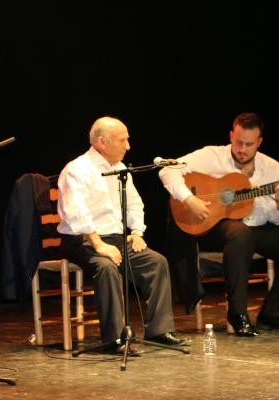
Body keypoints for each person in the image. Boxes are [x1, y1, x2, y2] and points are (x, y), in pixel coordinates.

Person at [159, 112, 279, 337]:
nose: (242, 149)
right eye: (238, 142)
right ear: (231, 136)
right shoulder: (211, 155)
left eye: (249, 144)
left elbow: (277, 220)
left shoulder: (272, 168)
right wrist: (189, 199)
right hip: (215, 226)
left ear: (259, 143)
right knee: (241, 234)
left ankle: (271, 314)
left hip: (257, 227)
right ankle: (238, 315)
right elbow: (167, 170)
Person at [57, 116, 187, 354]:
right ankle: (115, 339)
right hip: (82, 241)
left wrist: (137, 232)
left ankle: (158, 331)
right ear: (101, 142)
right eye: (123, 140)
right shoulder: (77, 170)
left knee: (156, 262)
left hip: (117, 240)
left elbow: (135, 204)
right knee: (106, 267)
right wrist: (99, 245)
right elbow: (76, 213)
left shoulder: (120, 169)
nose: (128, 146)